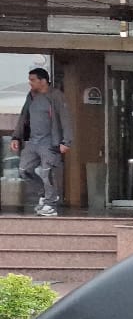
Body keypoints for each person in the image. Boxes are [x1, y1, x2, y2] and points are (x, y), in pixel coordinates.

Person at [10, 68, 71, 217]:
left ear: (43, 81)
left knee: (47, 172)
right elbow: (24, 116)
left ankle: (50, 205)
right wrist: (16, 137)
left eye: (33, 80)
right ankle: (45, 194)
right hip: (32, 142)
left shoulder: (55, 96)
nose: (30, 83)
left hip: (50, 142)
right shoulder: (31, 96)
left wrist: (66, 141)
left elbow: (65, 118)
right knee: (24, 170)